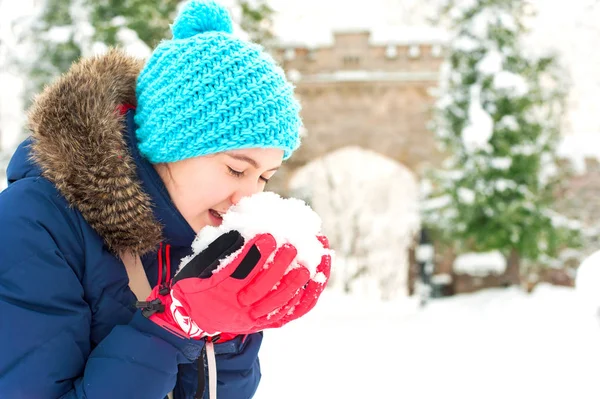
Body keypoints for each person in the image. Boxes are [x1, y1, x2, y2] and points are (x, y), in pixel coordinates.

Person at [0, 1, 331, 398]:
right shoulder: (33, 224)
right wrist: (171, 327)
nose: (247, 197)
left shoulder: (197, 236)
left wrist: (229, 329)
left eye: (264, 177)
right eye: (236, 170)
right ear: (168, 147)